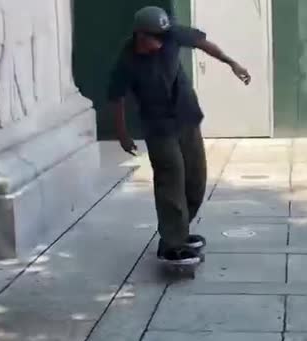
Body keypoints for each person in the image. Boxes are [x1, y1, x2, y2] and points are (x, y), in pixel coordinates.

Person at [107, 6, 251, 264]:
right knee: (171, 178)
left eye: (164, 38)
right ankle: (173, 245)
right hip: (158, 127)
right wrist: (122, 135)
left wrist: (232, 63)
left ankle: (179, 232)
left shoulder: (171, 34)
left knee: (196, 179)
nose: (161, 43)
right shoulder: (127, 59)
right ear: (140, 35)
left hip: (186, 116)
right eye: (155, 39)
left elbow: (202, 43)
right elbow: (116, 99)